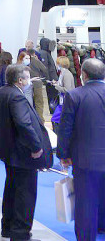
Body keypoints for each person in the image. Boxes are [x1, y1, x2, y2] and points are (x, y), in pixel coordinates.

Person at [0, 64, 50, 241]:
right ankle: (21, 232)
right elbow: (24, 124)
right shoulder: (17, 96)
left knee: (12, 188)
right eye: (27, 78)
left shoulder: (2, 92)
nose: (29, 81)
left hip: (9, 151)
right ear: (20, 80)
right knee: (25, 192)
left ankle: (8, 227)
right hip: (22, 153)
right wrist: (36, 147)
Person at [56, 58, 105, 241]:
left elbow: (65, 128)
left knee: (86, 202)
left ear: (83, 75)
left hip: (85, 159)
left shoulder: (74, 95)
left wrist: (63, 155)